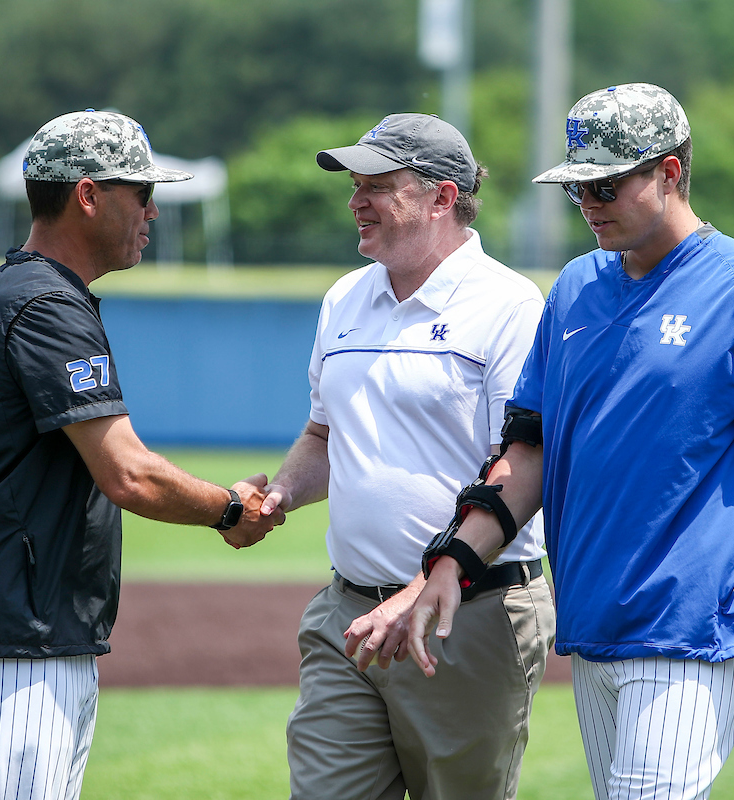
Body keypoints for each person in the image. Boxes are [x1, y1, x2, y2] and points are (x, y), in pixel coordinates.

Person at [408, 83, 734, 800]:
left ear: (672, 172)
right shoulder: (574, 289)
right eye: (578, 186)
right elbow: (528, 454)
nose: (589, 201)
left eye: (608, 183)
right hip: (591, 625)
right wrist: (454, 560)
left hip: (689, 630)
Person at [0, 109, 283, 800]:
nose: (153, 211)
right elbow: (129, 474)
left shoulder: (26, 293)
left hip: (7, 638)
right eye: (141, 193)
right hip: (12, 648)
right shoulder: (46, 305)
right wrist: (230, 508)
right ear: (87, 195)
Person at [256, 113, 556, 800]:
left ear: (443, 198)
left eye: (378, 186)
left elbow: (515, 466)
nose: (355, 202)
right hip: (350, 616)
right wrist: (278, 497)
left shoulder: (508, 305)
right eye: (354, 185)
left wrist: (427, 586)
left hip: (469, 616)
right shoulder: (344, 298)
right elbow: (325, 437)